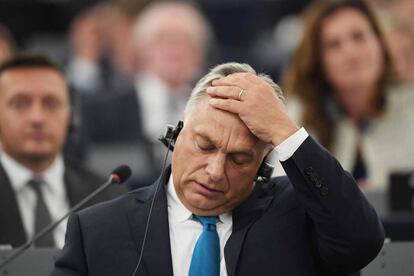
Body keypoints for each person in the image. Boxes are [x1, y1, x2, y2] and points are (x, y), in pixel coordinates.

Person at [52, 62, 384, 276]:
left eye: (239, 159)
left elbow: (362, 241)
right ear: (175, 134)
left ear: (260, 167)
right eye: (205, 146)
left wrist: (286, 132)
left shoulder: (301, 216)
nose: (214, 171)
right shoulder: (97, 230)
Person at [281, 0, 414, 192]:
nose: (350, 52)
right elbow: (285, 196)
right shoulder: (295, 117)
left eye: (359, 37)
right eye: (334, 45)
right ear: (318, 60)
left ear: (380, 42)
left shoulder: (410, 103)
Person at [81, 0, 213, 188]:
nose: (174, 48)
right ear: (142, 50)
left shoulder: (214, 108)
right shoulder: (100, 110)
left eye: (185, 40)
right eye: (163, 38)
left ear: (199, 55)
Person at [0, 54, 125, 248]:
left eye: (51, 104)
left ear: (72, 117)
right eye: (20, 104)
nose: (37, 118)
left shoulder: (108, 196)